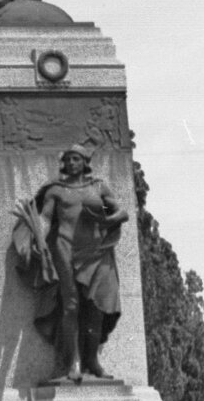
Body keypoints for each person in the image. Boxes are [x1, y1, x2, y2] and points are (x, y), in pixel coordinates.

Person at [12, 144, 128, 383]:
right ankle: (73, 361)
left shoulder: (97, 188)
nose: (72, 163)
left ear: (85, 162)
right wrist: (38, 237)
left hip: (96, 252)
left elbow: (116, 211)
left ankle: (93, 361)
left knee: (96, 307)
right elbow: (45, 217)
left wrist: (107, 220)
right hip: (65, 249)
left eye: (77, 159)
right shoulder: (58, 191)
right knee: (71, 305)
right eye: (69, 159)